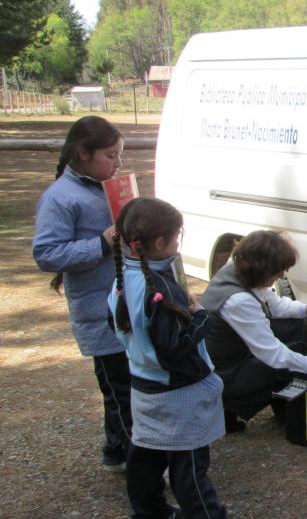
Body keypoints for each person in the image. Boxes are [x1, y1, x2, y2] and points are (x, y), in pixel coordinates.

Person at [109, 196, 227, 518]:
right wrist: (201, 317)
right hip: (178, 392)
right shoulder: (162, 291)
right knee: (188, 466)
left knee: (146, 457)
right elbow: (174, 349)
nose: (178, 244)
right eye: (177, 237)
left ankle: (150, 512)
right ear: (159, 242)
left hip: (144, 384)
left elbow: (117, 324)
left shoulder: (123, 279)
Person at [32, 115, 132, 472]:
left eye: (120, 155)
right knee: (120, 388)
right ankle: (139, 466)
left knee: (121, 384)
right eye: (110, 156)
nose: (118, 163)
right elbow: (46, 254)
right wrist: (101, 244)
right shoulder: (60, 198)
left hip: (122, 302)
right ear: (83, 153)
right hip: (97, 309)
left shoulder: (102, 185)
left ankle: (116, 449)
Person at [200, 230, 307, 432]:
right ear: (261, 269)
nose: (282, 275)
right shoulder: (238, 301)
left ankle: (286, 399)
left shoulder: (239, 271)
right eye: (279, 270)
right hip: (223, 373)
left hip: (232, 354)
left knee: (295, 324)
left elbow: (274, 305)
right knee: (284, 365)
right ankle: (227, 405)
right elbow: (273, 354)